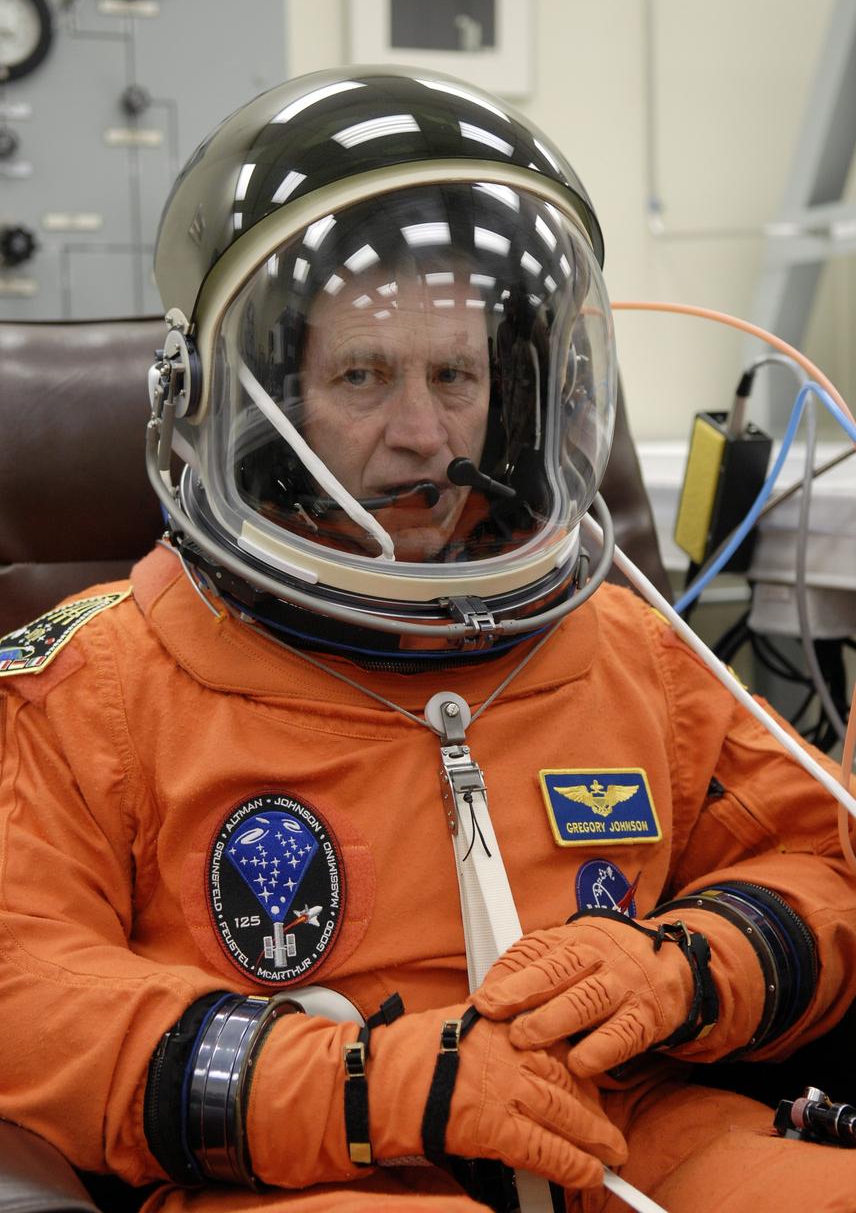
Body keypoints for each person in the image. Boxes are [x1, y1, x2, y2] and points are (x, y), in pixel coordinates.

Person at [0, 67, 854, 1213]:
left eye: (453, 375)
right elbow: (24, 983)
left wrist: (683, 965)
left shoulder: (629, 651)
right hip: (304, 1170)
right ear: (256, 400)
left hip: (630, 1128)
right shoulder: (100, 682)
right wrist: (372, 1085)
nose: (421, 432)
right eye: (362, 374)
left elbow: (819, 861)